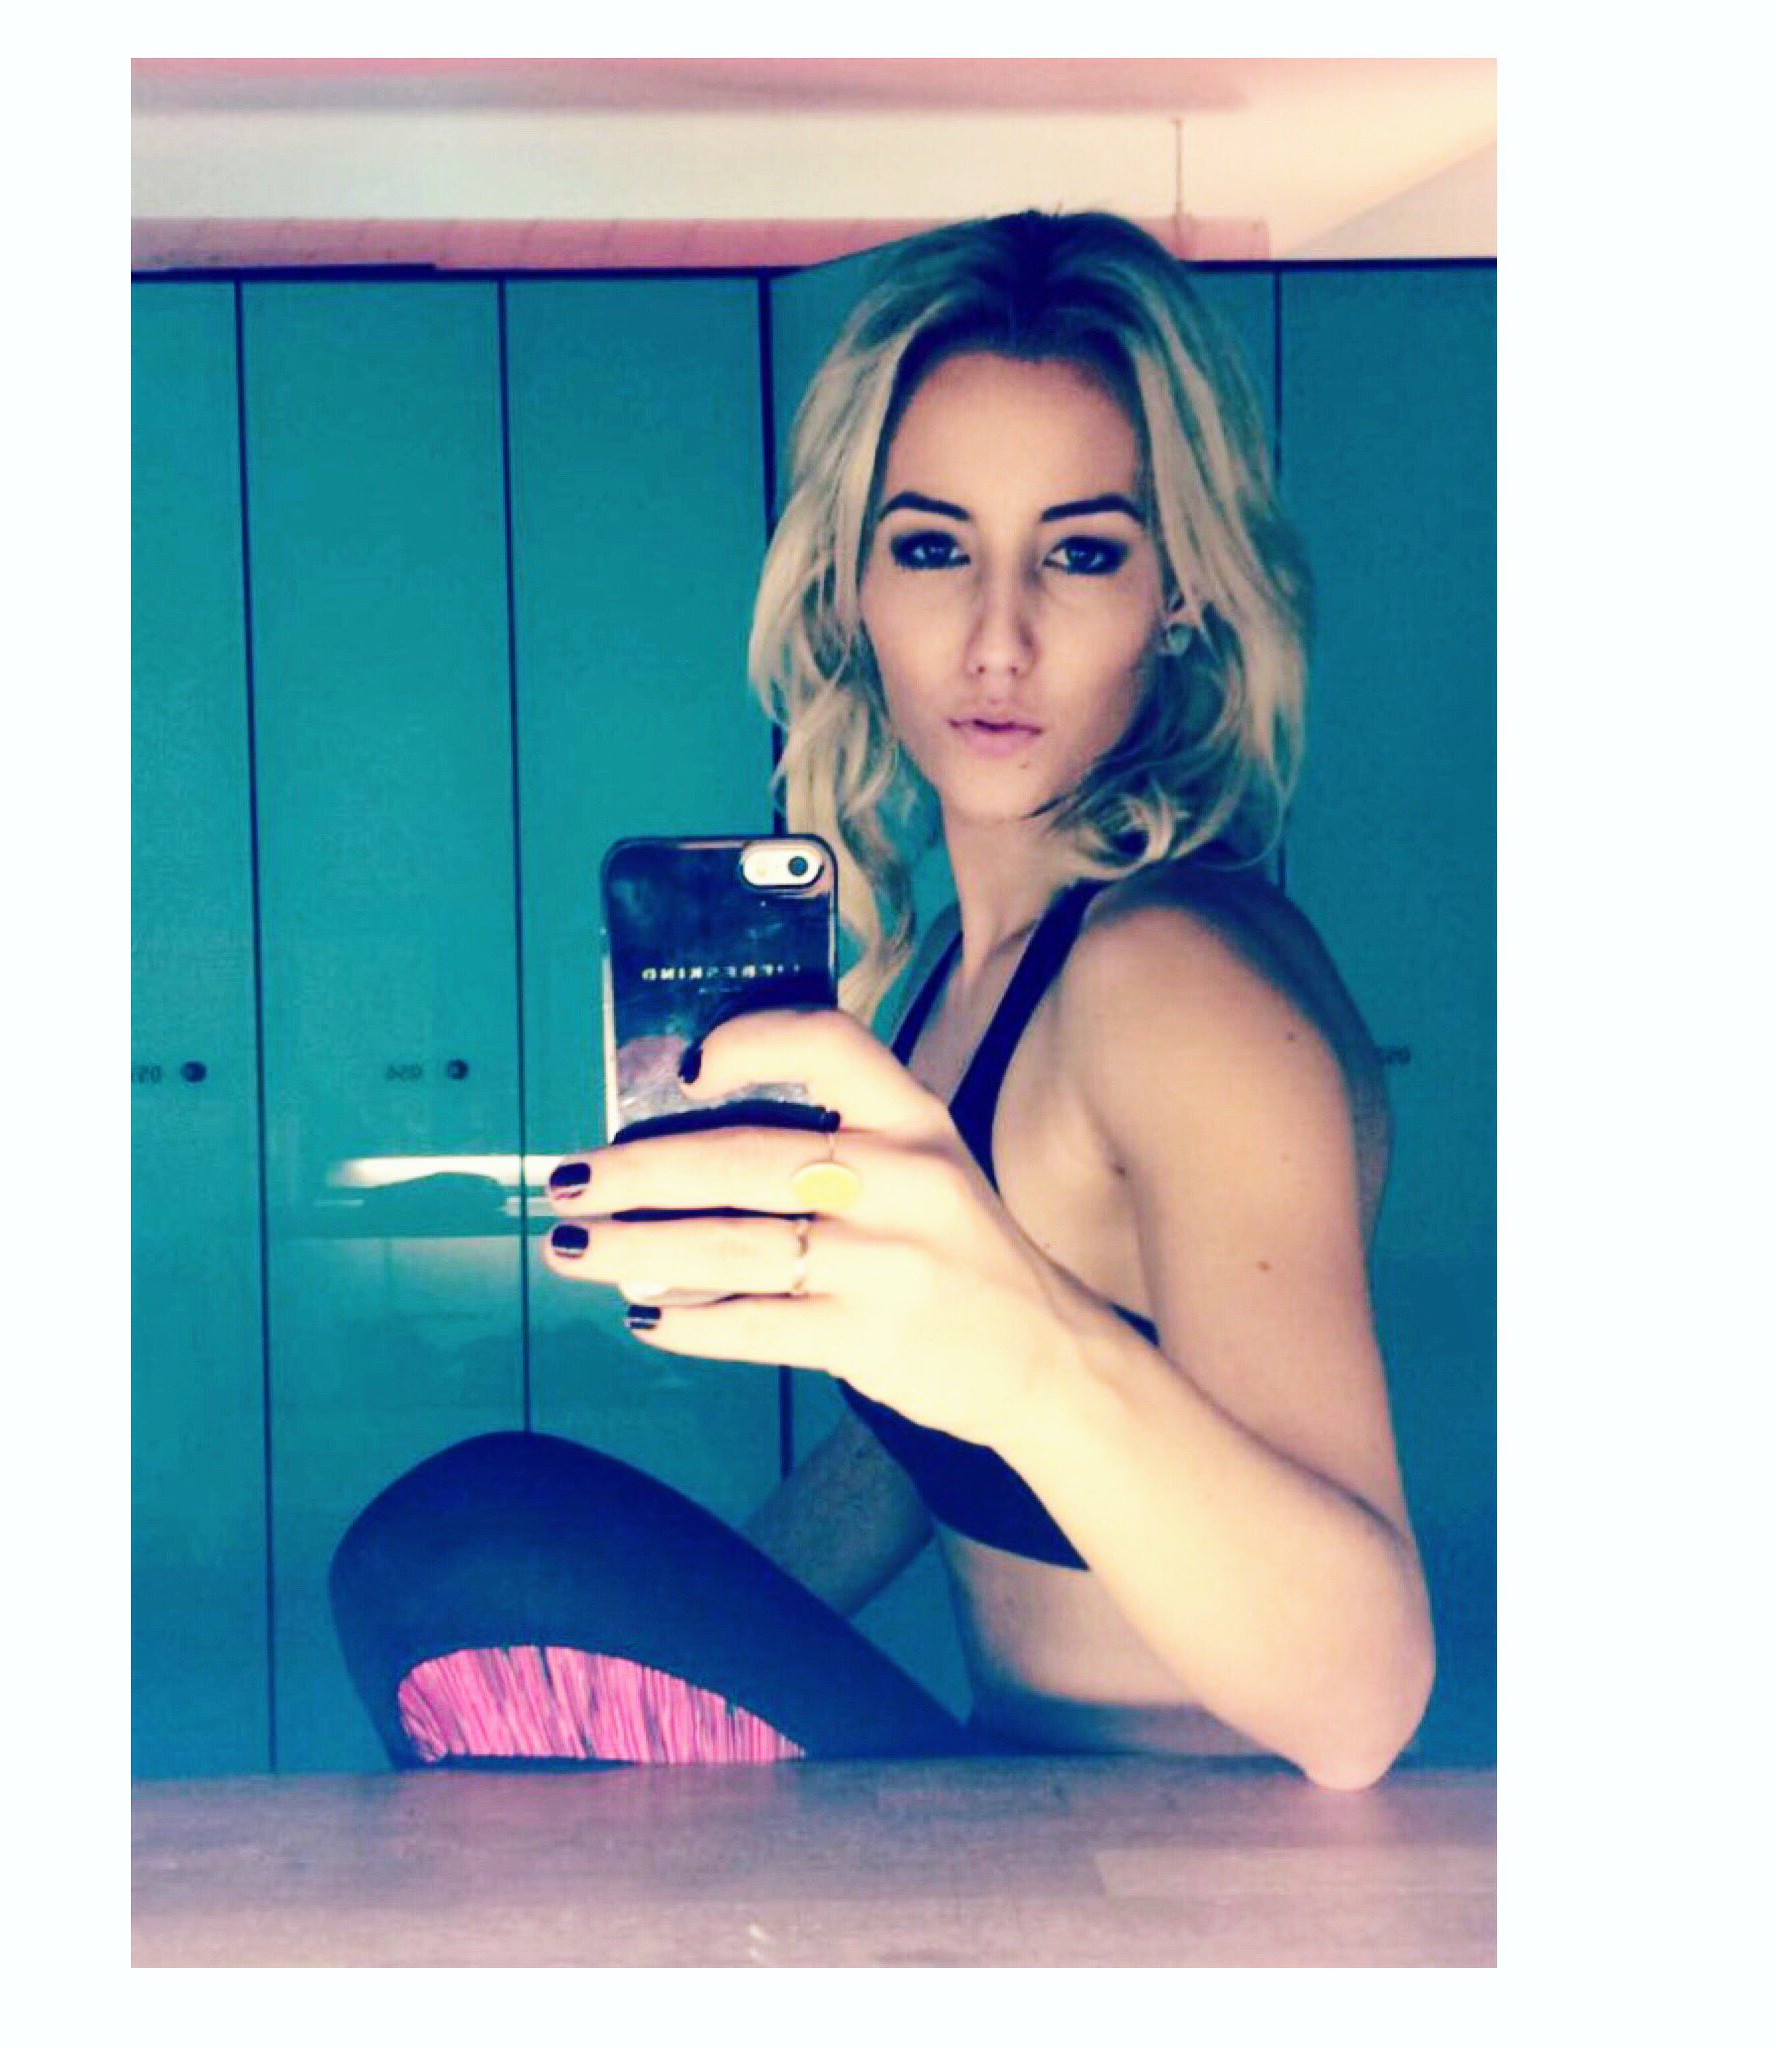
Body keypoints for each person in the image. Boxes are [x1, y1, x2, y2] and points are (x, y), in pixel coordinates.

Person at [330, 209, 1434, 1792]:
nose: (998, 640)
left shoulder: (1170, 979)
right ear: (850, 587)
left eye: (1081, 552)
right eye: (933, 548)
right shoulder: (949, 975)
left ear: (1181, 592)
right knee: (466, 1562)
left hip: (1199, 1865)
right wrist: (666, 1633)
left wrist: (1018, 1345)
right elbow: (926, 1449)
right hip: (1013, 1810)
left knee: (464, 1542)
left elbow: (1361, 1700)